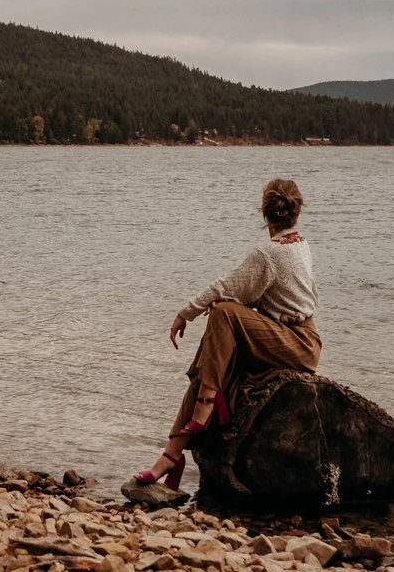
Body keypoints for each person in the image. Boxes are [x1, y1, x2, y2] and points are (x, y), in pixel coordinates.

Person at [133, 178, 319, 491]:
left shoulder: (269, 254)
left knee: (221, 313)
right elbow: (256, 294)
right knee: (212, 363)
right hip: (289, 338)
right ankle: (172, 454)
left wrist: (185, 313)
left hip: (296, 342)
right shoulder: (300, 243)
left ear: (264, 214)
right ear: (296, 213)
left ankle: (204, 405)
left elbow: (228, 286)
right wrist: (229, 303)